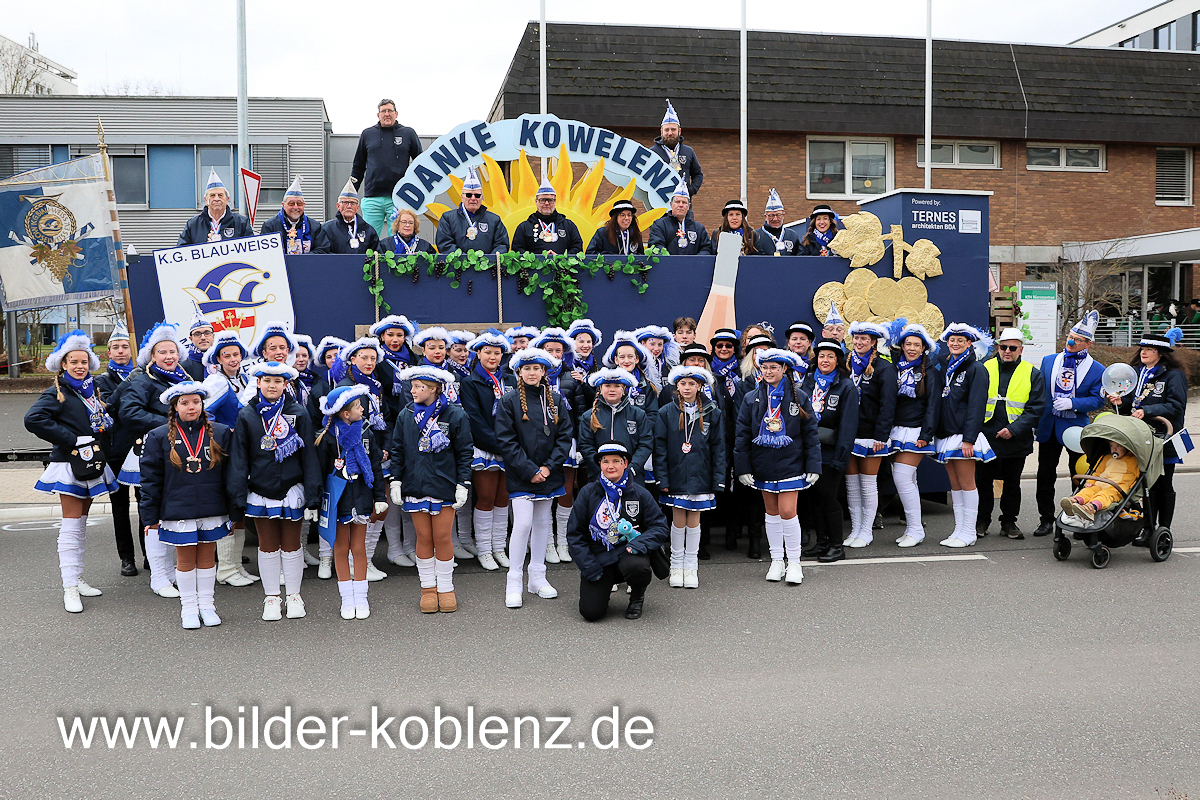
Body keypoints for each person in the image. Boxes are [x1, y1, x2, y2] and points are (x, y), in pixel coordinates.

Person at [24, 330, 119, 613]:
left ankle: (77, 578)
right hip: (69, 464)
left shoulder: (91, 390)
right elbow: (33, 419)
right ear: (63, 365)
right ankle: (69, 588)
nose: (79, 366)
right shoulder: (58, 392)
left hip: (90, 462)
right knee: (71, 525)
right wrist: (70, 438)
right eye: (73, 362)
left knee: (81, 525)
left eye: (84, 361)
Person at [227, 361, 321, 622]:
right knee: (267, 547)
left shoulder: (298, 413)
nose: (272, 385)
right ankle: (271, 597)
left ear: (285, 384)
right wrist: (237, 497)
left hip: (291, 489)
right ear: (258, 383)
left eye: (278, 381)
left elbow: (309, 457)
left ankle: (294, 595)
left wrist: (313, 495)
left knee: (291, 546)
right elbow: (239, 458)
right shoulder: (247, 414)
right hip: (260, 490)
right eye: (267, 381)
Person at [138, 381, 235, 629]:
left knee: (207, 558)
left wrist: (234, 512)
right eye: (184, 403)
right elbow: (150, 480)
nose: (191, 407)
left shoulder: (221, 432)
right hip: (177, 509)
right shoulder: (158, 436)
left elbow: (232, 476)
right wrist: (150, 517)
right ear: (174, 407)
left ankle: (208, 606)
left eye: (196, 402)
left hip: (212, 507)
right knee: (185, 560)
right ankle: (189, 608)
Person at [388, 366, 474, 614]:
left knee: (443, 537)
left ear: (435, 389)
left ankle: (446, 588)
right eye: (413, 386)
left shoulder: (455, 414)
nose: (413, 391)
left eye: (419, 387)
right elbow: (398, 450)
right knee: (423, 537)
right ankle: (427, 588)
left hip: (444, 485)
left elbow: (464, 452)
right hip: (415, 484)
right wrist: (396, 480)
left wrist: (463, 484)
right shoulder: (406, 414)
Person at [117, 322, 193, 598]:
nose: (169, 356)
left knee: (172, 511)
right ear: (152, 355)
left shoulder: (184, 379)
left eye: (173, 351)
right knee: (153, 514)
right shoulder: (142, 380)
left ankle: (170, 571)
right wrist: (168, 424)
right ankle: (158, 576)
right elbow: (129, 412)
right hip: (150, 453)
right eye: (163, 352)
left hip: (178, 454)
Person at [494, 348, 574, 608]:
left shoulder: (556, 400)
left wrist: (549, 467)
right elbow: (506, 441)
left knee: (542, 523)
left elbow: (564, 436)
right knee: (523, 523)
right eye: (527, 368)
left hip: (549, 472)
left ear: (544, 372)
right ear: (519, 372)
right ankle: (514, 580)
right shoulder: (509, 401)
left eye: (537, 369)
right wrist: (530, 470)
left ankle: (538, 577)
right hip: (522, 474)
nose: (532, 373)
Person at [734, 348, 820, 584]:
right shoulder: (751, 398)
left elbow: (810, 434)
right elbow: (742, 435)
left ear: (784, 369)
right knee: (771, 513)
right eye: (765, 367)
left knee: (788, 511)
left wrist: (814, 465)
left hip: (791, 462)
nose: (769, 371)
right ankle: (776, 560)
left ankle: (794, 562)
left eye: (774, 367)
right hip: (763, 463)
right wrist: (743, 468)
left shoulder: (799, 396)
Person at [567, 442, 670, 621]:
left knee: (637, 566)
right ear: (600, 464)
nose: (611, 466)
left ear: (625, 463)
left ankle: (637, 596)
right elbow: (574, 534)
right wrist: (588, 565)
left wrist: (639, 544)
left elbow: (660, 526)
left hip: (628, 553)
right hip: (599, 559)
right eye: (605, 461)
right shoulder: (587, 493)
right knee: (591, 613)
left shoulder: (640, 493)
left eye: (616, 461)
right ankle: (603, 587)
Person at [314, 386, 387, 620]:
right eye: (357, 406)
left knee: (359, 547)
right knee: (340, 547)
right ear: (346, 413)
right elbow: (318, 473)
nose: (362, 409)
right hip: (338, 499)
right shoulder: (327, 437)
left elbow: (375, 467)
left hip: (361, 497)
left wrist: (380, 497)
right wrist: (315, 503)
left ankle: (361, 597)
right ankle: (346, 599)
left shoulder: (366, 434)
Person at [1106, 327, 1188, 531]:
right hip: (1139, 438)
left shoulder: (1173, 375)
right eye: (1142, 348)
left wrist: (1147, 410)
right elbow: (1130, 404)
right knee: (1144, 485)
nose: (1143, 352)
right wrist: (1120, 402)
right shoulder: (1134, 372)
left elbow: (1176, 406)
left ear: (1160, 353)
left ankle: (1163, 529)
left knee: (1163, 483)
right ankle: (1147, 528)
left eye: (1149, 349)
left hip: (1164, 437)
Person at [1033, 311, 1105, 537]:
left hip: (1076, 430)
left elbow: (1098, 400)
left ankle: (1078, 518)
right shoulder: (1049, 360)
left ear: (1088, 344)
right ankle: (1046, 520)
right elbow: (1039, 392)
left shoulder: (1097, 369)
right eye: (1070, 337)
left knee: (1080, 475)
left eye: (1078, 340)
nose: (1071, 342)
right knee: (1045, 475)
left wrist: (1073, 403)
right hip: (1049, 427)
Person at [654, 365, 725, 588]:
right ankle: (676, 565)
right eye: (682, 384)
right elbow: (660, 448)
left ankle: (691, 566)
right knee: (678, 520)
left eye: (692, 384)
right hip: (675, 473)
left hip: (701, 474)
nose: (687, 388)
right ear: (676, 386)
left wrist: (718, 479)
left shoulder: (713, 411)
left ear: (700, 386)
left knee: (694, 520)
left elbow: (719, 448)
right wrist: (662, 478)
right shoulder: (666, 412)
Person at [978, 328, 1046, 539]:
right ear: (998, 347)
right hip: (986, 436)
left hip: (1016, 438)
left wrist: (1014, 429)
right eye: (1003, 347)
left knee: (1012, 483)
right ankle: (981, 521)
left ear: (1021, 350)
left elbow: (1036, 408)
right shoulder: (984, 368)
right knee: (983, 482)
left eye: (1012, 348)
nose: (1007, 351)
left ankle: (1008, 522)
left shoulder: (1032, 373)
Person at [335, 336, 393, 580]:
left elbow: (385, 419)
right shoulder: (346, 387)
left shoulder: (375, 385)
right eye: (364, 358)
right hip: (358, 458)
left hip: (378, 453)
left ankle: (365, 559)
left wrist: (385, 447)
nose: (369, 362)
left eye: (373, 358)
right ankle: (354, 562)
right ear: (352, 359)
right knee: (359, 510)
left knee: (380, 508)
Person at [934, 324, 997, 548]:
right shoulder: (944, 365)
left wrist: (969, 439)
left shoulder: (976, 368)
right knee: (955, 485)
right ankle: (958, 530)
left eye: (961, 340)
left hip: (964, 436)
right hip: (947, 434)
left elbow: (977, 406)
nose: (955, 343)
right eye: (952, 340)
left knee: (967, 483)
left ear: (969, 343)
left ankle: (969, 531)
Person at [799, 339, 859, 562]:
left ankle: (836, 546)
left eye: (831, 357)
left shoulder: (846, 386)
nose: (825, 360)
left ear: (838, 361)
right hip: (809, 451)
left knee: (828, 498)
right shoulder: (808, 382)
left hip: (831, 452)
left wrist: (840, 458)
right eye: (822, 356)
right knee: (814, 498)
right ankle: (822, 543)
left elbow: (848, 426)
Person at [459, 331, 514, 570]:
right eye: (488, 352)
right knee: (486, 498)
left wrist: (512, 444)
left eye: (497, 353)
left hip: (510, 447)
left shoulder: (510, 380)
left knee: (503, 500)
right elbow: (474, 419)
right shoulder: (470, 382)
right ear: (478, 353)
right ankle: (484, 551)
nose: (493, 357)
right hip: (486, 449)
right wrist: (500, 445)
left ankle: (499, 548)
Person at [886, 322, 944, 548]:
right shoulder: (895, 368)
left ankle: (916, 529)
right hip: (896, 430)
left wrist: (926, 434)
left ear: (923, 348)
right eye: (908, 344)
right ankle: (912, 528)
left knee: (902, 478)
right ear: (902, 346)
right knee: (908, 479)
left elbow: (933, 405)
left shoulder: (931, 371)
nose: (912, 348)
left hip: (916, 431)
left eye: (916, 345)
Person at [530, 328, 582, 565]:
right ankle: (547, 543)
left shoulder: (571, 376)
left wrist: (578, 444)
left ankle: (563, 542)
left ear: (564, 352)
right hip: (540, 442)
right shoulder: (532, 378)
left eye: (557, 350)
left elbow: (580, 412)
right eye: (548, 350)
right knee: (544, 494)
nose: (553, 354)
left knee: (566, 493)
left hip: (565, 441)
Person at [843, 322, 897, 549]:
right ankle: (855, 529)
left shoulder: (884, 367)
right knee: (851, 485)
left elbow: (888, 405)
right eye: (856, 338)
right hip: (848, 434)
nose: (859, 342)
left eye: (864, 339)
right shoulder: (845, 364)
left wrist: (881, 436)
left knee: (867, 484)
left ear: (874, 342)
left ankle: (866, 531)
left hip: (871, 435)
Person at [95, 321, 141, 577]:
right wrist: (128, 382)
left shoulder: (142, 376)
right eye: (116, 347)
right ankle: (127, 558)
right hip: (115, 452)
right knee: (120, 507)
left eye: (125, 346)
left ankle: (150, 555)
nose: (121, 351)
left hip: (141, 450)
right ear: (109, 352)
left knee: (146, 504)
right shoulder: (101, 380)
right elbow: (109, 405)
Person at [350, 98, 422, 241]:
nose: (387, 114)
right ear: (378, 115)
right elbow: (358, 167)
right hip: (372, 198)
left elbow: (420, 164)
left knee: (398, 240)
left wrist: (417, 190)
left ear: (396, 113)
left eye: (390, 111)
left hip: (399, 198)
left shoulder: (408, 133)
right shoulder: (367, 134)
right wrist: (351, 194)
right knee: (368, 241)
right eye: (383, 111)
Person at [578, 369, 654, 482]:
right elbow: (585, 445)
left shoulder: (638, 414)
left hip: (632, 477)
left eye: (617, 386)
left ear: (623, 389)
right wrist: (602, 468)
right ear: (600, 389)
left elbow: (645, 443)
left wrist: (631, 468)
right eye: (607, 386)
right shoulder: (588, 416)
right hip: (599, 476)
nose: (612, 389)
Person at [435, 166, 510, 254]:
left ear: (481, 197)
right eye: (469, 195)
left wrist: (487, 260)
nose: (473, 198)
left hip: (487, 263)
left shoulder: (494, 220)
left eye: (477, 195)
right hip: (458, 263)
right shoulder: (448, 218)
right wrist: (464, 259)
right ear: (462, 197)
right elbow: (445, 244)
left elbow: (502, 245)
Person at [1059, 441, 1139, 521]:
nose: (1114, 449)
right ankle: (1075, 501)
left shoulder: (1134, 461)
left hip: (1117, 488)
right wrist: (1090, 482)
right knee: (1087, 491)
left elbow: (1138, 477)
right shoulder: (1107, 458)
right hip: (1099, 484)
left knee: (1104, 495)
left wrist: (1133, 488)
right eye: (1111, 446)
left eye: (1118, 446)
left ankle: (1091, 507)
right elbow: (1097, 473)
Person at [177, 169, 253, 247]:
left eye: (220, 195)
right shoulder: (193, 224)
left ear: (227, 199)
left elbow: (251, 249)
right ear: (206, 200)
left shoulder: (241, 223)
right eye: (212, 195)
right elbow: (182, 249)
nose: (216, 199)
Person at [650, 100, 703, 209]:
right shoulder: (652, 153)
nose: (670, 133)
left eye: (673, 129)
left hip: (683, 205)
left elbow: (698, 174)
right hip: (659, 205)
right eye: (667, 130)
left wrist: (690, 191)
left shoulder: (689, 151)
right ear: (661, 131)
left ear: (679, 131)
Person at [511, 176, 584, 255]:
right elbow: (517, 250)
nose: (546, 203)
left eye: (550, 200)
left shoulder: (568, 225)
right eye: (542, 200)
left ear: (555, 201)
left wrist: (561, 258)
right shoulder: (524, 227)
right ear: (536, 202)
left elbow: (577, 248)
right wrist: (536, 259)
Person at [259, 176, 329, 255]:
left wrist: (301, 259)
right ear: (283, 205)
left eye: (299, 204)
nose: (296, 207)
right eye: (291, 204)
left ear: (304, 205)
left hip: (307, 263)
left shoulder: (315, 226)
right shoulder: (270, 226)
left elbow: (323, 250)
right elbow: (265, 253)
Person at [646, 183, 713, 254]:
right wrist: (670, 259)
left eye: (684, 202)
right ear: (671, 204)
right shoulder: (660, 225)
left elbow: (706, 249)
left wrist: (694, 260)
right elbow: (656, 246)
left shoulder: (699, 228)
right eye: (677, 202)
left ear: (688, 206)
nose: (681, 205)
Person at [321, 179, 380, 255]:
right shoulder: (327, 229)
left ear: (357, 208)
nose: (349, 206)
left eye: (352, 203)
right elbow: (322, 252)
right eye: (345, 202)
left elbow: (376, 254)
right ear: (338, 206)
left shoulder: (368, 230)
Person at [754, 189, 803, 256]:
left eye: (778, 215)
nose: (775, 219)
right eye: (771, 215)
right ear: (765, 216)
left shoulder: (792, 236)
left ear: (783, 215)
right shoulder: (756, 236)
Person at [180, 307, 214, 381]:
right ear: (191, 339)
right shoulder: (183, 368)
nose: (203, 337)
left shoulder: (222, 362)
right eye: (197, 334)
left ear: (213, 336)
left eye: (207, 333)